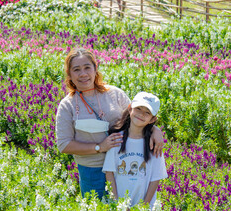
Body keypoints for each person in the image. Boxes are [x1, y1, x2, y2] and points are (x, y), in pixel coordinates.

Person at [56, 47, 164, 200]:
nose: (83, 74)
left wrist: (154, 129)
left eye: (87, 67)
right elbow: (64, 145)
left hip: (124, 167)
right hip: (92, 171)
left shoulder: (115, 94)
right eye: (76, 69)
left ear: (95, 68)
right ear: (69, 74)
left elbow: (136, 117)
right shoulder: (67, 105)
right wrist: (100, 147)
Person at [102, 92, 168, 209]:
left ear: (153, 119)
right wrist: (117, 203)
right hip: (119, 207)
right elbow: (109, 173)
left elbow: (155, 179)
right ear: (130, 108)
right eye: (138, 108)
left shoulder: (154, 145)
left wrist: (144, 207)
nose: (141, 114)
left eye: (147, 112)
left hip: (144, 210)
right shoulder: (116, 139)